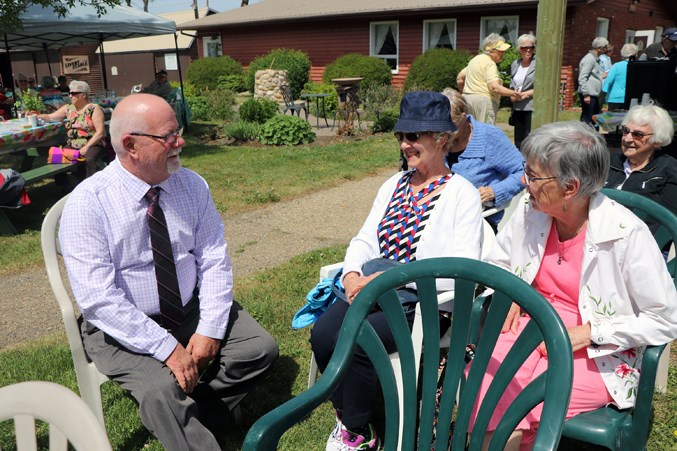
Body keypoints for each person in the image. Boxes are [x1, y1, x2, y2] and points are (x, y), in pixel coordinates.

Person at [58, 93, 279, 450]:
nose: (181, 142)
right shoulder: (89, 203)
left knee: (259, 349)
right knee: (160, 390)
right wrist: (167, 349)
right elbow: (98, 299)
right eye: (169, 137)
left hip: (185, 307)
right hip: (120, 324)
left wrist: (209, 328)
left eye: (178, 131)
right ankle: (190, 426)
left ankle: (195, 413)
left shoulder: (191, 185)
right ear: (130, 145)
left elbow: (213, 258)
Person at [468, 121, 677, 450]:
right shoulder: (529, 209)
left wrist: (591, 332)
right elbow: (499, 260)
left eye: (534, 176)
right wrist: (508, 291)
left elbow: (665, 319)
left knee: (526, 402)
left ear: (570, 187)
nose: (524, 182)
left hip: (598, 352)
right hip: (528, 329)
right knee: (483, 382)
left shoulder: (625, 234)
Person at [311, 91, 483, 451]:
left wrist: (389, 279)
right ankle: (350, 415)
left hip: (425, 305)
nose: (405, 145)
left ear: (440, 138)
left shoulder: (461, 194)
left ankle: (357, 433)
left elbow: (462, 267)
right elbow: (364, 238)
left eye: (413, 136)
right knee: (325, 332)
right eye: (401, 137)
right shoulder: (394, 185)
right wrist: (352, 274)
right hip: (376, 292)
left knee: (360, 338)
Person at [442, 88, 524, 232]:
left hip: (479, 222)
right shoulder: (436, 136)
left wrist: (494, 192)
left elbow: (523, 172)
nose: (446, 132)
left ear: (464, 117)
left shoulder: (489, 137)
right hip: (441, 219)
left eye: (452, 125)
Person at [604, 105, 677, 235]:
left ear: (657, 140)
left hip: (644, 243)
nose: (627, 139)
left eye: (638, 134)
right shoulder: (606, 163)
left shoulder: (669, 170)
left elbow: (669, 222)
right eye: (625, 131)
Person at [37, 80, 106, 178]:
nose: (70, 96)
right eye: (70, 93)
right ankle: (63, 186)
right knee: (56, 156)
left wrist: (86, 147)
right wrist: (35, 116)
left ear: (83, 95)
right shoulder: (68, 108)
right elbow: (50, 117)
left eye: (73, 93)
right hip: (73, 143)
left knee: (89, 159)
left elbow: (100, 133)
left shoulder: (94, 109)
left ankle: (90, 186)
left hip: (92, 143)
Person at [461, 33, 521, 125]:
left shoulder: (475, 60)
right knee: (485, 134)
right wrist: (513, 93)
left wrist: (466, 93)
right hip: (484, 102)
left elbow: (460, 78)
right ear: (491, 51)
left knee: (471, 133)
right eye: (500, 51)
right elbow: (494, 87)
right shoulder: (490, 64)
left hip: (467, 100)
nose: (503, 54)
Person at [509, 33, 537, 149]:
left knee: (530, 139)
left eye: (531, 47)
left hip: (531, 106)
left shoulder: (538, 63)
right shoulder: (515, 64)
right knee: (518, 140)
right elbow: (512, 83)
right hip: (517, 106)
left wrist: (527, 94)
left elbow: (542, 86)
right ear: (519, 49)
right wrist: (511, 95)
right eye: (524, 48)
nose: (528, 50)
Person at [578, 37, 608, 128]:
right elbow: (582, 77)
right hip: (589, 94)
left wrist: (601, 76)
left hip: (593, 94)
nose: (607, 49)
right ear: (599, 48)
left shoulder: (595, 59)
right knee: (587, 119)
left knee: (593, 119)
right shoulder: (590, 59)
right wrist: (586, 94)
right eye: (605, 47)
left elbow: (592, 75)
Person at [601, 43, 639, 111]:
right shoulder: (638, 66)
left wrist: (604, 91)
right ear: (635, 53)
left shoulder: (617, 66)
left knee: (613, 120)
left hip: (616, 98)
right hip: (632, 99)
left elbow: (609, 81)